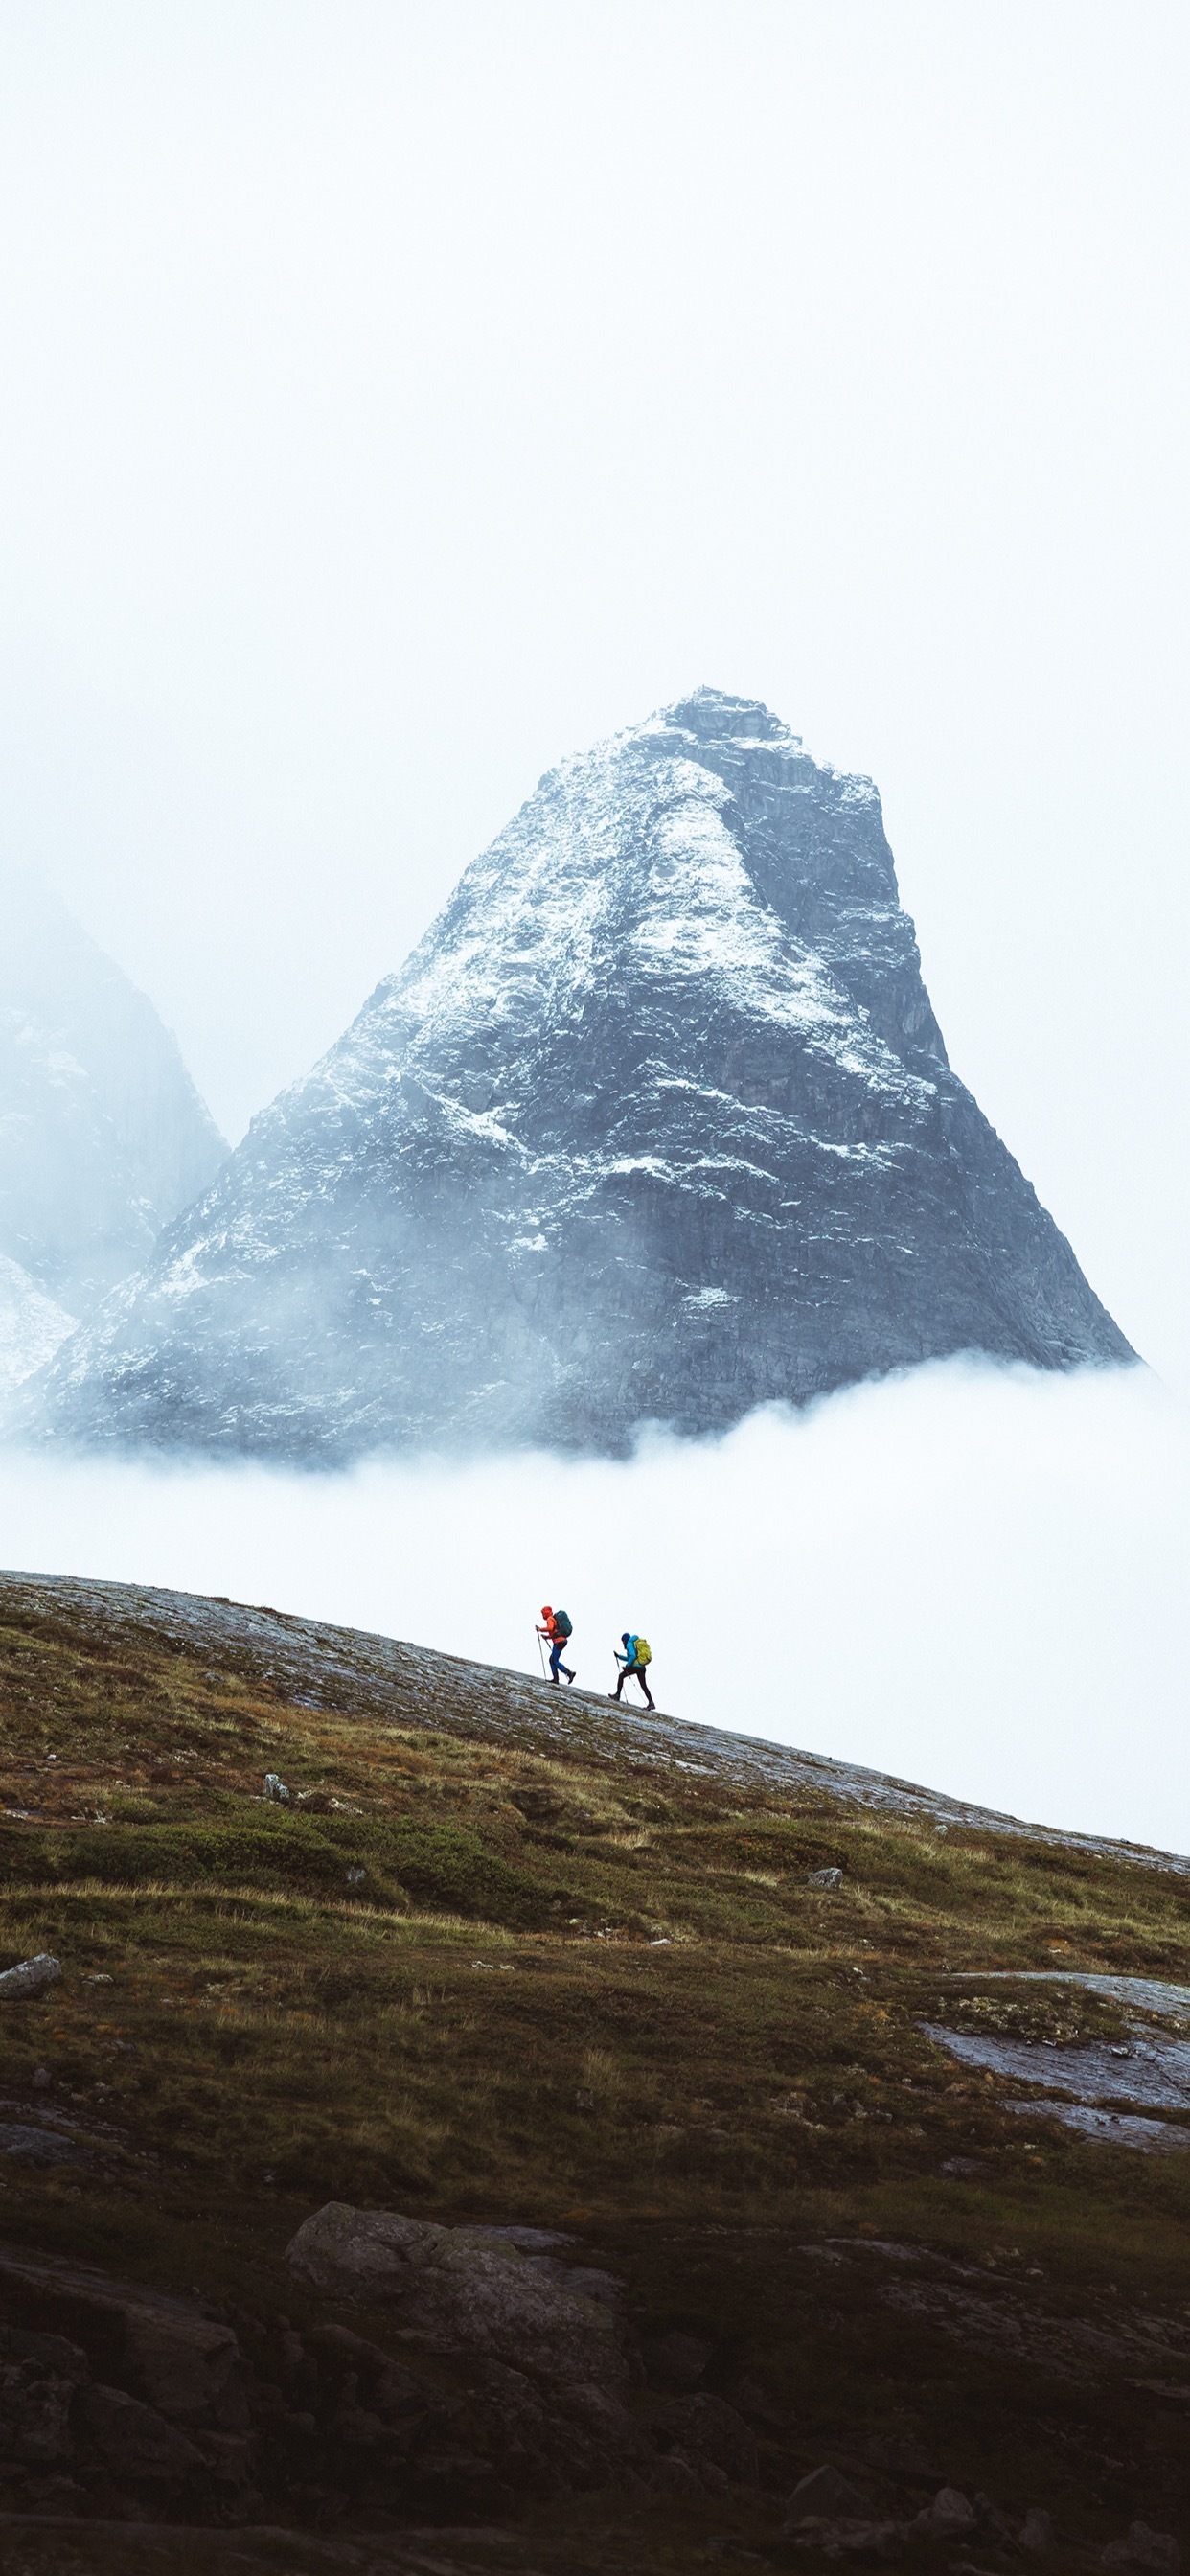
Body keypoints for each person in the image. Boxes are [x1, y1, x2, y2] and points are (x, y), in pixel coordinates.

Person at [611, 1631, 654, 1712]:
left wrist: (627, 1666)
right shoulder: (634, 1643)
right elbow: (629, 1658)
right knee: (643, 1685)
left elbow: (633, 1656)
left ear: (625, 1640)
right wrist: (619, 1656)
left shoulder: (629, 1644)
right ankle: (651, 1703)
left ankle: (617, 1695)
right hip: (641, 1667)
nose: (623, 1643)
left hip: (636, 1667)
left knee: (621, 1676)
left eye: (623, 1641)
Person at [537, 1605, 576, 1686]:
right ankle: (556, 1678)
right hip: (561, 1641)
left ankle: (569, 1673)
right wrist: (547, 1637)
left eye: (543, 1613)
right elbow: (555, 1632)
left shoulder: (550, 1619)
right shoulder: (553, 1619)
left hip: (559, 1642)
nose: (542, 1615)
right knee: (552, 1660)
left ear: (546, 1613)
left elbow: (550, 1628)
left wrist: (540, 1629)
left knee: (554, 1660)